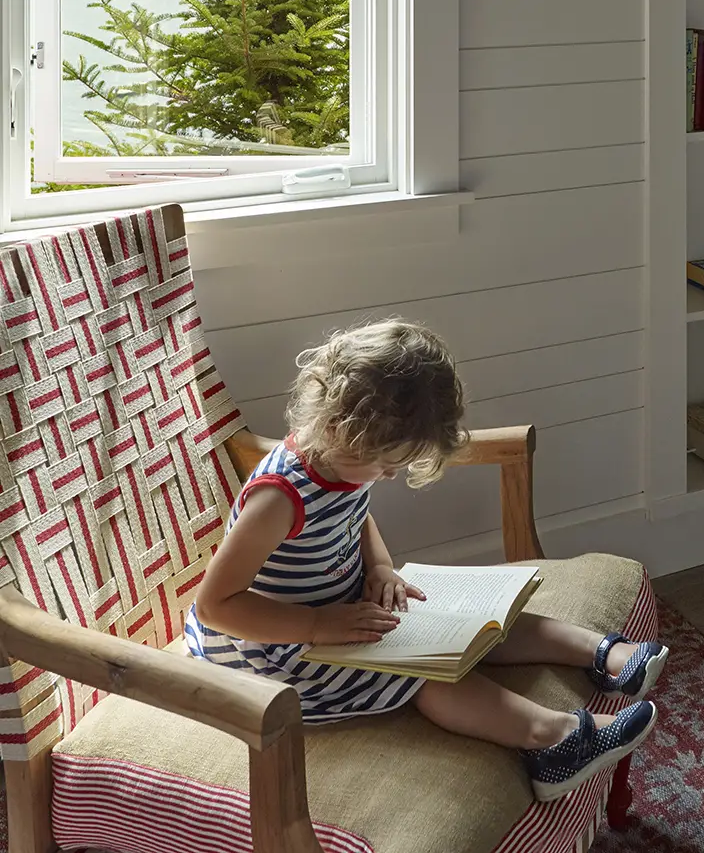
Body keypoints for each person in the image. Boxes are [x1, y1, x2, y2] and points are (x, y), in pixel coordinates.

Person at [185, 319, 667, 802]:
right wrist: (316, 625)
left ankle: (602, 653)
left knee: (470, 621)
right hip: (276, 651)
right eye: (387, 464)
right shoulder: (279, 498)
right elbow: (215, 605)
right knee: (425, 675)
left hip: (341, 609)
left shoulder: (341, 462)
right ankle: (554, 740)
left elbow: (356, 518)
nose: (390, 476)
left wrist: (378, 567)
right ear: (340, 427)